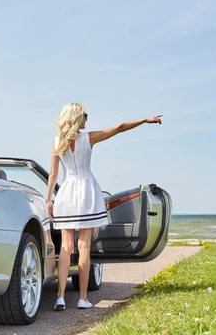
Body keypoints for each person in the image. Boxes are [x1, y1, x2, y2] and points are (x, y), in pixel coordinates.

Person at [45, 102, 162, 310]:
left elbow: (53, 175)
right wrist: (145, 120)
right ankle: (82, 299)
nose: (87, 119)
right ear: (77, 117)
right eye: (85, 115)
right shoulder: (89, 138)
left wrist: (48, 200)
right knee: (84, 247)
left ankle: (61, 297)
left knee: (65, 247)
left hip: (66, 194)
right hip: (87, 192)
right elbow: (119, 127)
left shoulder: (57, 142)